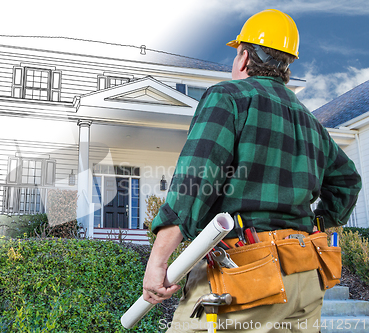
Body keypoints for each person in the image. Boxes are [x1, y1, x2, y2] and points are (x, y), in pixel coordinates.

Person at [143, 8, 362, 333]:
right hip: (303, 274)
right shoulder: (311, 122)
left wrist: (159, 259)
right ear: (287, 66)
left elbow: (195, 181)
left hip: (241, 274)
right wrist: (317, 224)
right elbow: (348, 182)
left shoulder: (227, 98)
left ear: (244, 57)